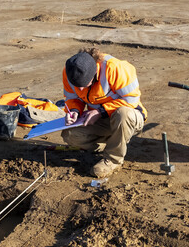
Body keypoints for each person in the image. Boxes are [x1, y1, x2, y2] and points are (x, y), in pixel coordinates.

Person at [61, 47, 147, 178]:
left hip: (129, 117)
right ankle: (113, 142)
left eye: (84, 84)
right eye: (77, 85)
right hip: (101, 120)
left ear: (94, 72)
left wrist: (101, 111)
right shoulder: (70, 72)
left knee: (122, 114)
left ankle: (113, 160)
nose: (80, 88)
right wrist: (74, 110)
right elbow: (73, 98)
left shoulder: (115, 68)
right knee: (70, 134)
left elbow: (131, 100)